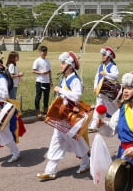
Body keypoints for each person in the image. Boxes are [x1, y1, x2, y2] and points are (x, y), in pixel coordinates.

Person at [37, 51, 90, 180]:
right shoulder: (64, 78)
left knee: (74, 140)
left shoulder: (75, 79)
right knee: (56, 141)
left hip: (70, 116)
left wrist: (60, 90)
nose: (61, 66)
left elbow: (77, 96)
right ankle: (50, 171)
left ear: (70, 66)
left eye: (63, 63)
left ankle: (86, 161)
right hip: (61, 115)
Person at [89, 46, 119, 132]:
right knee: (98, 107)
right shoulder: (100, 66)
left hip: (108, 92)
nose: (102, 57)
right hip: (100, 91)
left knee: (113, 109)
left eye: (104, 55)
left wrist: (106, 74)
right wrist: (95, 87)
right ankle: (94, 126)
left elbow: (115, 76)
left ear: (109, 57)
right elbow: (97, 76)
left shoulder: (113, 66)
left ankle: (122, 120)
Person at [33, 45, 52, 117]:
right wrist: (41, 73)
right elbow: (34, 70)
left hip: (47, 81)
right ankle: (37, 111)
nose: (44, 53)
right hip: (40, 81)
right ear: (40, 52)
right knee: (38, 97)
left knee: (46, 96)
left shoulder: (48, 61)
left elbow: (50, 71)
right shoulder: (37, 61)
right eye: (42, 51)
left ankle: (45, 110)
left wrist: (50, 80)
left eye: (45, 51)